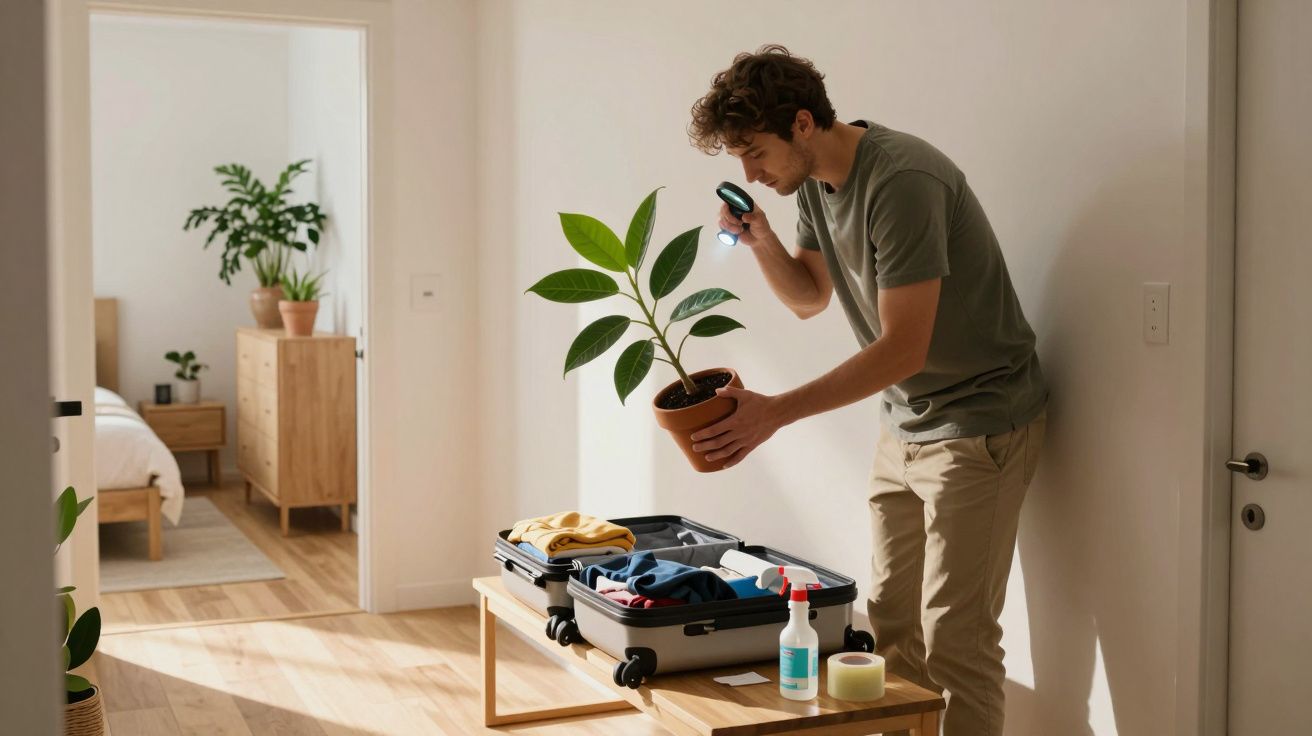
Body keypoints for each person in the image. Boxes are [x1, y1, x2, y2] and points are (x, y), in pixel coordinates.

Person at [687, 44, 1048, 736]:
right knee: (889, 624)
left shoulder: (902, 180)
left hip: (981, 424)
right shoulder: (812, 184)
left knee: (958, 639)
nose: (750, 174)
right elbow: (809, 297)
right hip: (905, 420)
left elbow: (904, 347)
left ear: (801, 123)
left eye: (754, 152)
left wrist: (775, 413)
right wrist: (762, 241)